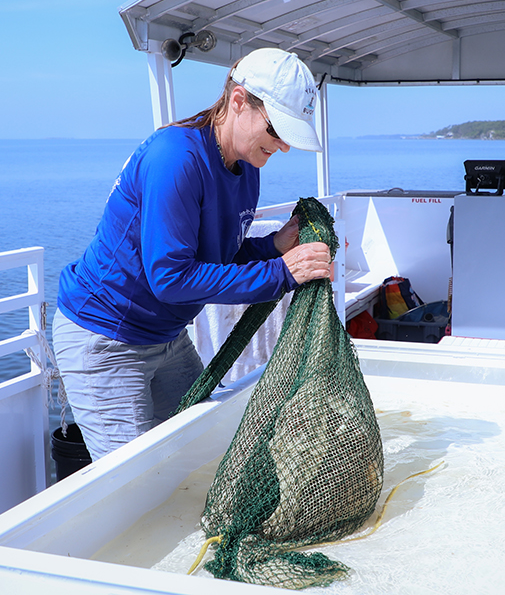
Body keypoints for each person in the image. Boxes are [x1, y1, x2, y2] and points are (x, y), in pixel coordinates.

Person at [52, 48, 333, 461]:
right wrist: (280, 273)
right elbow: (170, 278)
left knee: (199, 455)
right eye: (277, 130)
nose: (284, 146)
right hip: (106, 335)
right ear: (238, 101)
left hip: (165, 334)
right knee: (135, 482)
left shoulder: (247, 167)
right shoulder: (176, 158)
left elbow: (218, 256)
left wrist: (273, 247)